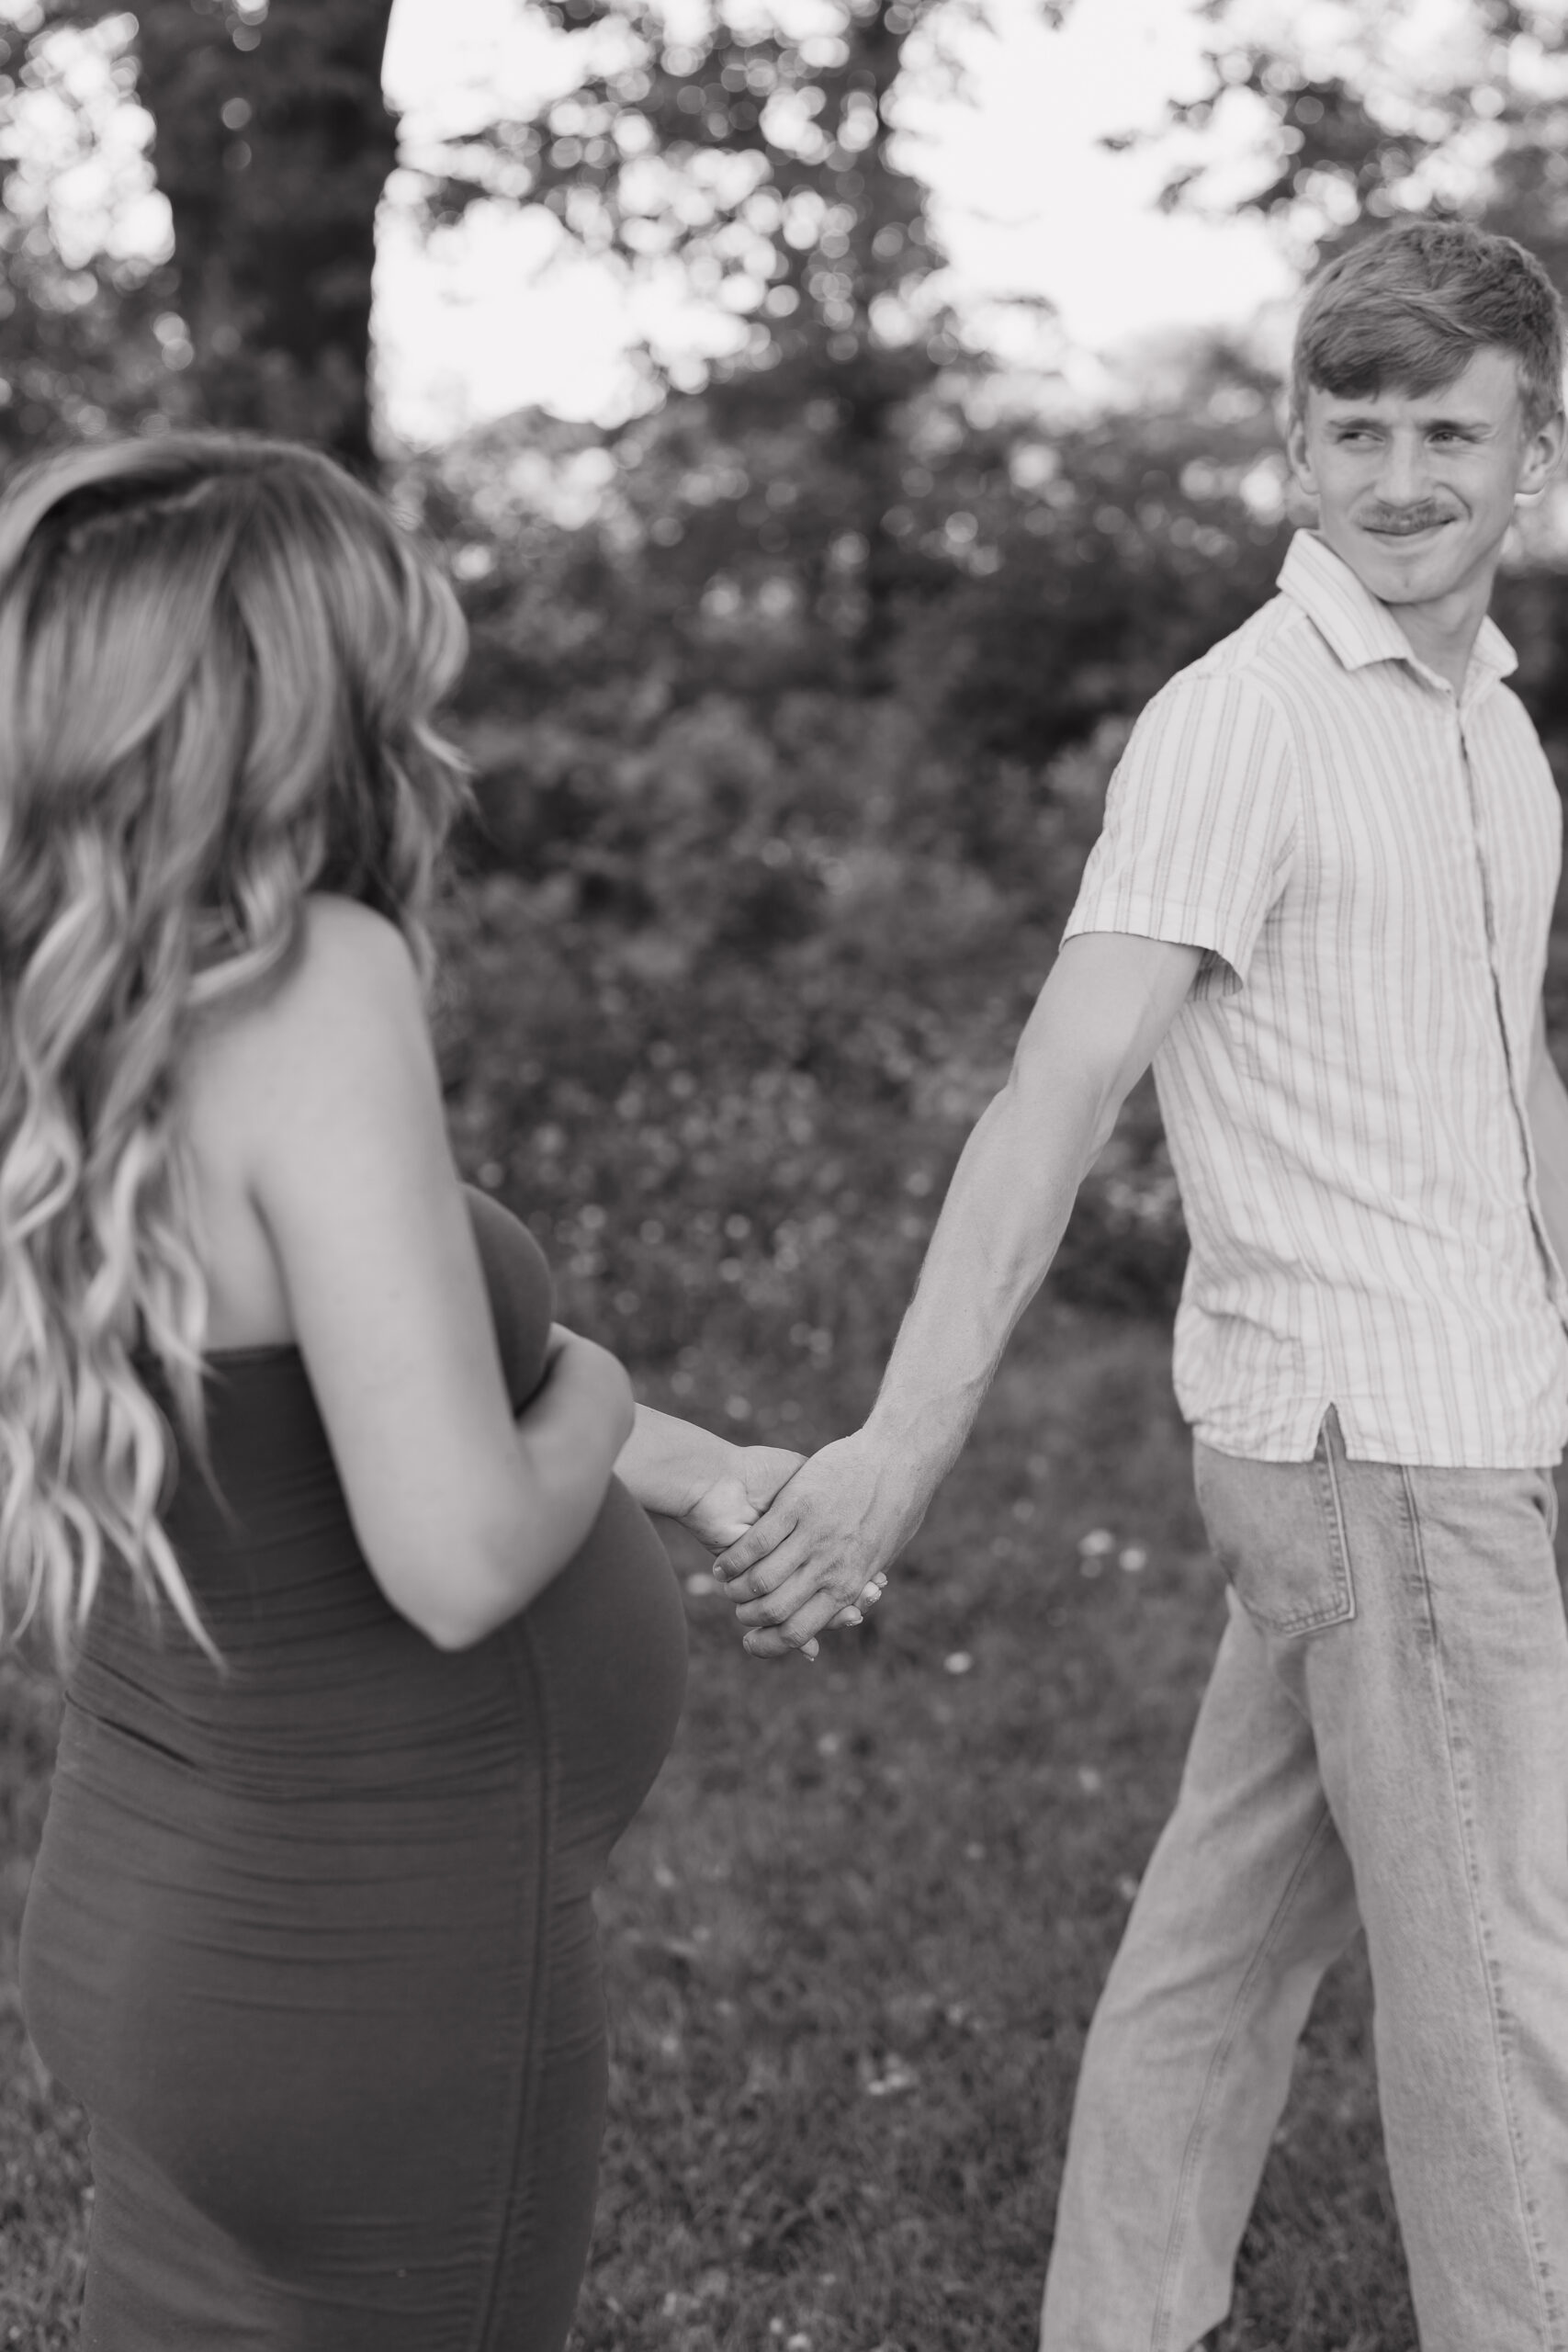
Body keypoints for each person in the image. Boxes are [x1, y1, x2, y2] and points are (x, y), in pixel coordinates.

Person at [716, 218, 1568, 2350]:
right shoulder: (1241, 724)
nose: (1395, 477)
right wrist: (901, 1448)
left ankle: (1112, 2320)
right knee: (1508, 2002)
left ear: (1531, 450)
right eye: (1349, 428)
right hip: (1380, 1454)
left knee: (1222, 1936)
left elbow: (1507, 1059)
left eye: (1443, 431)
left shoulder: (1487, 727)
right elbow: (1053, 1087)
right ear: (1285, 445)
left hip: (1416, 1420)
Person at [1, 431, 872, 2352]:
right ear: (290, 695)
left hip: (159, 1920)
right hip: (372, 1967)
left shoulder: (72, 1018)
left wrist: (675, 1455)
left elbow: (294, 1400)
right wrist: (604, 1381)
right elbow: (460, 1550)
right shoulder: (304, 982)